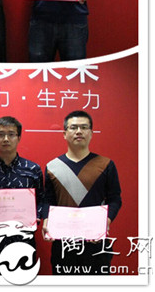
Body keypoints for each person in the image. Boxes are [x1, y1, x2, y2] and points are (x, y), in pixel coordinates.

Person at [42, 111, 122, 275]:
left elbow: (115, 199)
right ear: (64, 133)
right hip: (63, 243)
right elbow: (48, 200)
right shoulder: (52, 167)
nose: (79, 131)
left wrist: (107, 220)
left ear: (91, 133)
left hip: (96, 243)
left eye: (84, 127)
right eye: (73, 127)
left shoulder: (106, 164)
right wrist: (46, 220)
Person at [0, 116, 44, 275]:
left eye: (11, 134)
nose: (6, 139)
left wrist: (37, 216)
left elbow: (41, 199)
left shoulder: (32, 169)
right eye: (1, 134)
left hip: (23, 239)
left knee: (22, 281)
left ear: (19, 138)